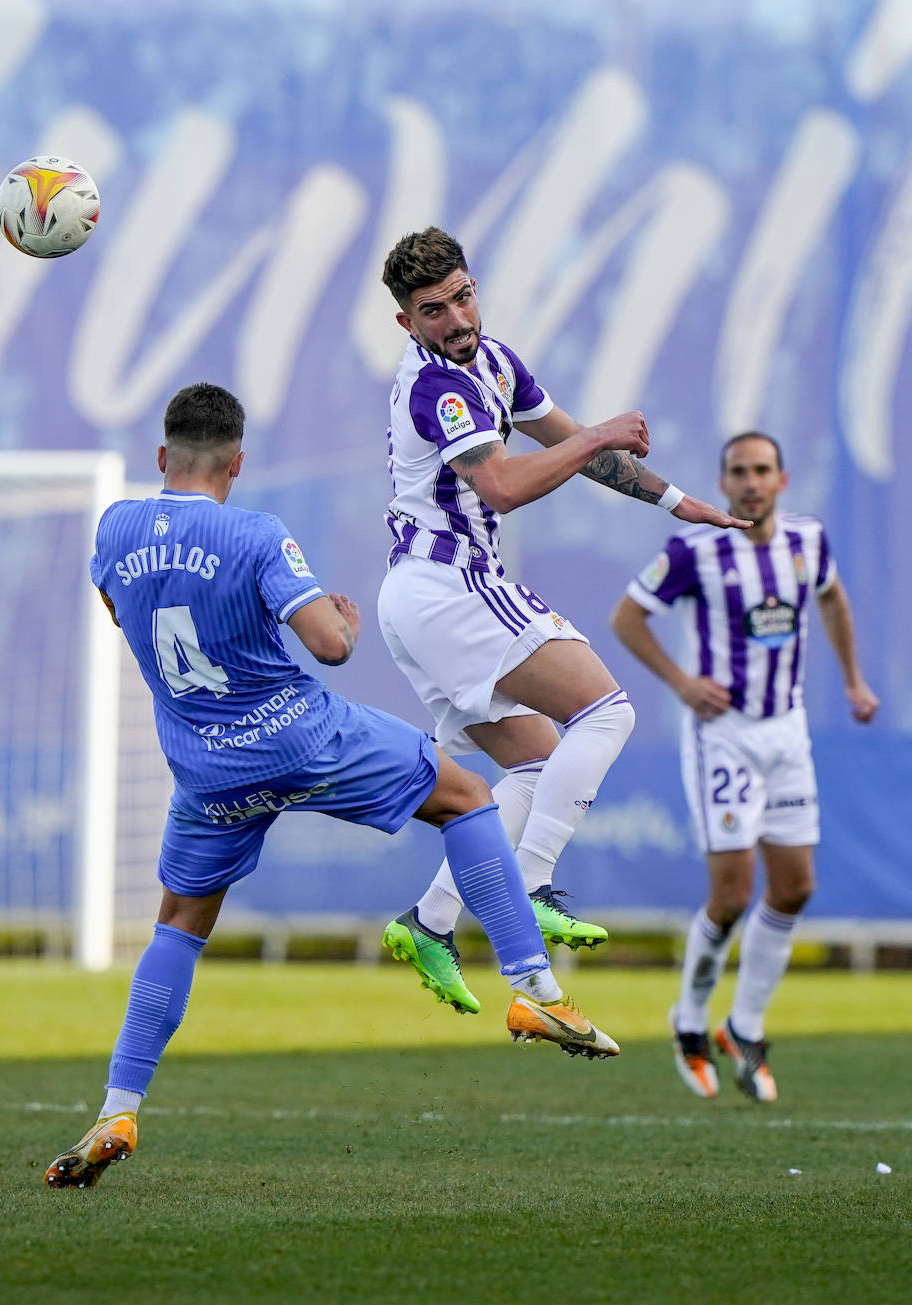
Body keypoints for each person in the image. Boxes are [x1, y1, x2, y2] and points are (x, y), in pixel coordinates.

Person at [45, 382, 620, 1190]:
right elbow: (330, 645)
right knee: (467, 798)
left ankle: (117, 1105)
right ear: (237, 462)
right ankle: (532, 987)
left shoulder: (114, 528)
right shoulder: (254, 533)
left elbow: (116, 607)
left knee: (177, 925)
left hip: (206, 769)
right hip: (299, 735)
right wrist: (342, 620)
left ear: (159, 456)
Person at [375, 226, 750, 1016]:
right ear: (406, 323)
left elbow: (582, 452)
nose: (454, 318)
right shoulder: (434, 387)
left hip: (423, 597)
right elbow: (505, 485)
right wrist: (595, 434)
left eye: (461, 296)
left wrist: (679, 504)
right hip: (450, 584)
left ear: (475, 287)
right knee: (606, 709)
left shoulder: (497, 361)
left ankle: (431, 921)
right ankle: (536, 884)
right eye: (432, 310)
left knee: (537, 764)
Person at [610, 431, 878, 1102]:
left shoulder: (806, 541)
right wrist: (680, 683)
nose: (751, 482)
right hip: (721, 734)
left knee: (793, 887)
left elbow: (833, 599)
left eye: (761, 471)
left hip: (784, 732)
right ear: (723, 483)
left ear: (782, 480)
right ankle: (688, 1022)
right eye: (738, 472)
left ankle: (745, 1027)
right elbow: (626, 618)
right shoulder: (693, 549)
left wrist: (852, 681)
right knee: (730, 896)